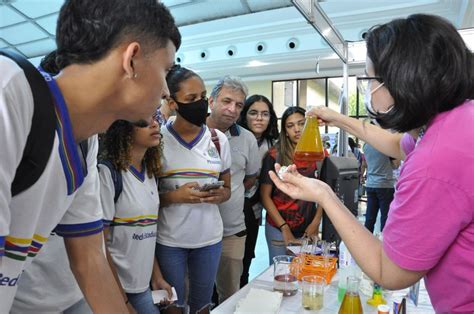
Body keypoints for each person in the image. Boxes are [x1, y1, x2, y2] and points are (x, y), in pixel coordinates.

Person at [269, 14, 473, 312]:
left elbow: (389, 271)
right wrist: (338, 118)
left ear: (402, 81)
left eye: (371, 80)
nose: (369, 89)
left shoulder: (434, 162)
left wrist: (324, 195)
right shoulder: (454, 122)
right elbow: (395, 143)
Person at [0, 0, 180, 311]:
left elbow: (90, 261)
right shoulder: (9, 94)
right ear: (132, 59)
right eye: (165, 70)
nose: (166, 91)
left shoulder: (85, 142)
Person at [10, 51, 92, 314]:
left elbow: (89, 252)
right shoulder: (15, 124)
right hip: (24, 300)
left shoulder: (87, 139)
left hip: (73, 293)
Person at [155, 65, 232, 314]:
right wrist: (174, 196)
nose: (200, 104)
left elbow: (227, 186)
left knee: (202, 305)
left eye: (202, 96)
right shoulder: (157, 141)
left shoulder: (218, 139)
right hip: (169, 240)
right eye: (191, 99)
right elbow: (142, 197)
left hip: (208, 239)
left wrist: (222, 194)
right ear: (172, 102)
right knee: (172, 306)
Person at [99, 118, 172, 313]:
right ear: (124, 130)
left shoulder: (150, 173)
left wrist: (156, 277)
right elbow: (100, 245)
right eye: (144, 122)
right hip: (116, 287)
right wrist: (122, 301)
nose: (155, 125)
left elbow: (148, 232)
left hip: (142, 285)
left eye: (155, 120)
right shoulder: (108, 173)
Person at [207, 76, 260, 303]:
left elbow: (251, 176)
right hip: (193, 232)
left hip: (232, 231)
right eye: (227, 101)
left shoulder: (246, 138)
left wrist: (232, 191)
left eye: (239, 105)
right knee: (195, 296)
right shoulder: (189, 130)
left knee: (231, 295)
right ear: (211, 101)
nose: (232, 109)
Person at [260, 106, 323, 263]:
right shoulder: (274, 156)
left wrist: (316, 223)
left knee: (303, 273)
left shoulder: (319, 155)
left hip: (308, 226)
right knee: (279, 273)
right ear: (285, 131)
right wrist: (284, 228)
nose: (297, 129)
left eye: (301, 123)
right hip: (278, 226)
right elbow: (265, 195)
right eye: (290, 125)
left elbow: (325, 192)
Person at [237, 95, 279, 287]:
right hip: (230, 206)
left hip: (255, 210)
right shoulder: (233, 139)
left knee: (246, 259)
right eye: (253, 113)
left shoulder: (274, 145)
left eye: (265, 114)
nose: (259, 118)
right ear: (244, 115)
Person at [363, 142, 398, 233]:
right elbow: (396, 165)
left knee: (370, 217)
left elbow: (366, 164)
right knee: (386, 217)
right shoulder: (385, 144)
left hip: (370, 184)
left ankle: (366, 241)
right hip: (385, 184)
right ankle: (384, 242)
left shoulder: (366, 145)